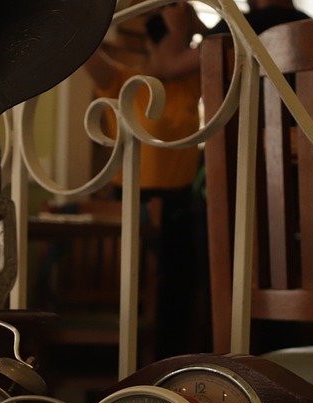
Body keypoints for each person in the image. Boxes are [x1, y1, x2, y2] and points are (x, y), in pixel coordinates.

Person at [83, 2, 207, 358]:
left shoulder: (192, 79)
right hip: (129, 203)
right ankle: (118, 366)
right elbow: (80, 53)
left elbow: (227, 44)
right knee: (125, 289)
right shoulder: (123, 82)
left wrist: (190, 26)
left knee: (179, 292)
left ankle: (168, 370)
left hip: (179, 204)